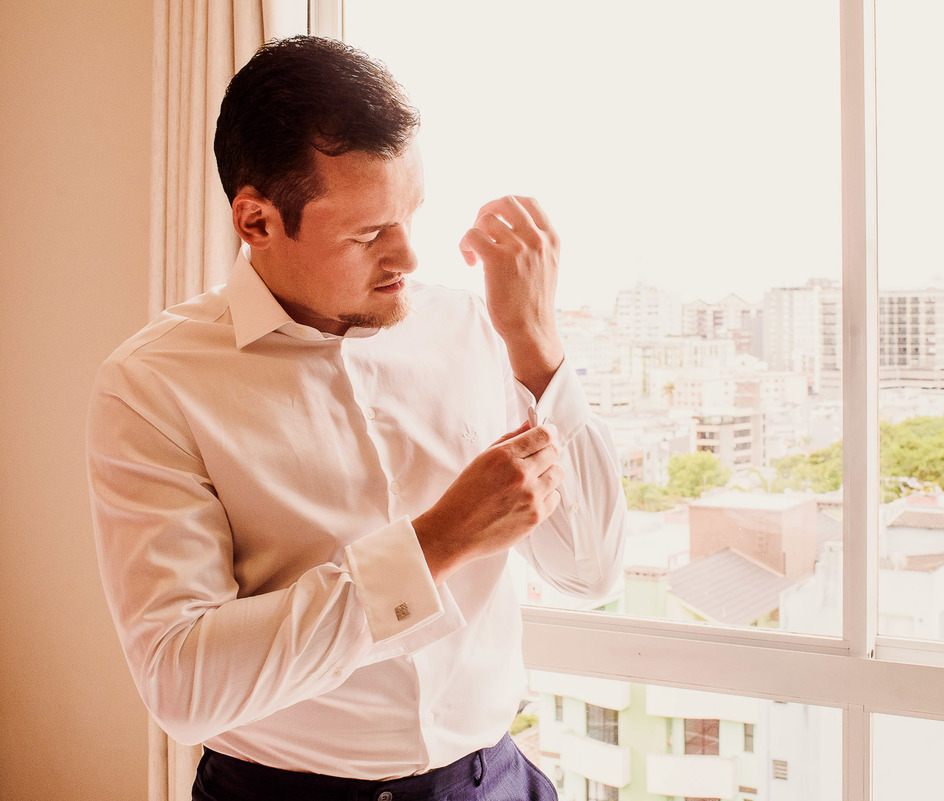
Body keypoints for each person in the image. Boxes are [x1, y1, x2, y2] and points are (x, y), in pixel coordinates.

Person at [86, 35, 625, 800]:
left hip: (492, 779)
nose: (407, 253)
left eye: (411, 214)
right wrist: (437, 544)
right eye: (370, 232)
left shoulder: (472, 329)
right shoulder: (152, 386)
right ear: (257, 222)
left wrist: (537, 347)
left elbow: (590, 567)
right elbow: (183, 685)